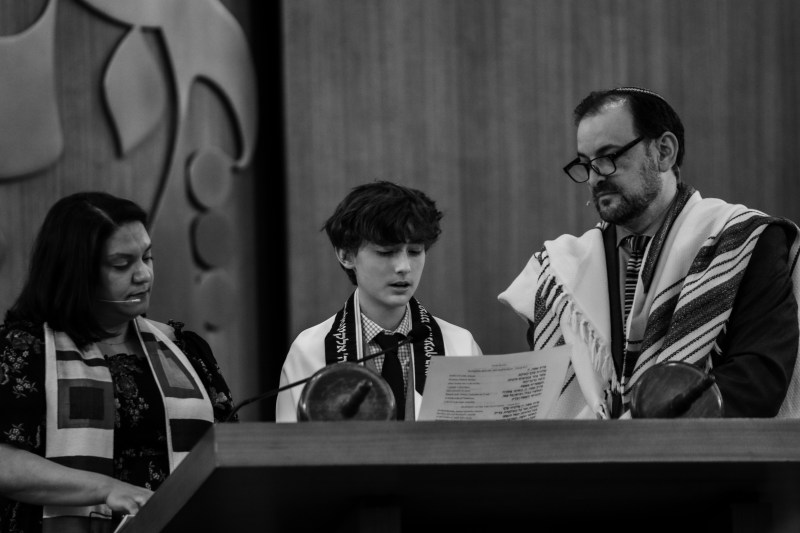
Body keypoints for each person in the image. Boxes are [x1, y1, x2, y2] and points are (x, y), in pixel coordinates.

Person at [499, 86, 800, 419]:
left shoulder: (742, 241)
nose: (595, 178)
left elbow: (757, 382)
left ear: (664, 152)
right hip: (585, 450)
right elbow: (545, 395)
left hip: (703, 449)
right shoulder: (558, 273)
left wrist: (643, 425)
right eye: (586, 164)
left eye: (609, 157)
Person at [0, 192, 236, 533]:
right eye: (122, 265)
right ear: (76, 272)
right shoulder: (26, 351)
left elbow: (228, 449)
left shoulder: (183, 348)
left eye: (147, 257)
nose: (143, 275)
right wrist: (109, 490)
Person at [276, 180, 482, 422]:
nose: (404, 267)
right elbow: (291, 444)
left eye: (415, 251)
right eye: (387, 252)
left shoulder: (459, 345)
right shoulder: (310, 350)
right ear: (346, 255)